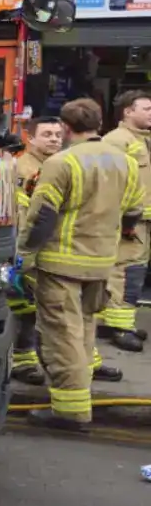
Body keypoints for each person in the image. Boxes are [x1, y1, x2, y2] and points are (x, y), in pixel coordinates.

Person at [18, 98, 142, 431]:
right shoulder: (125, 162)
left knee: (62, 335)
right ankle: (79, 394)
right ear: (100, 122)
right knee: (85, 330)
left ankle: (70, 411)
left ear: (66, 127)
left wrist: (25, 254)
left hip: (62, 263)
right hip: (101, 262)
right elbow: (132, 212)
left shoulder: (61, 163)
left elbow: (43, 215)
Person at [6, 116, 66, 384]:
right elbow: (23, 212)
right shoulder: (22, 168)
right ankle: (22, 361)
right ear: (30, 138)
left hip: (48, 245)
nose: (54, 139)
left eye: (57, 134)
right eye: (47, 134)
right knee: (25, 307)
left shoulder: (58, 165)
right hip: (27, 246)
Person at [98, 89, 151, 352]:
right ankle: (119, 327)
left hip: (143, 220)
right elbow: (107, 183)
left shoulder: (142, 140)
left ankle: (120, 321)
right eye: (147, 108)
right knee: (124, 272)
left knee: (135, 270)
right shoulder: (116, 141)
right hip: (127, 221)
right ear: (128, 112)